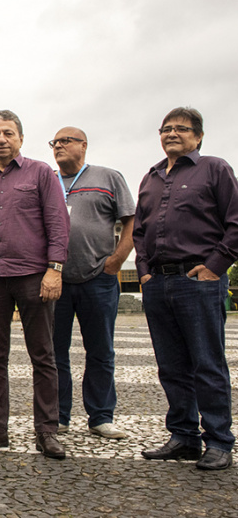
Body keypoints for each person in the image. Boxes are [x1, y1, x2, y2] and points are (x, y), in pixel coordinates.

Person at [0, 110, 70, 459]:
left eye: (8, 133)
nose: (1, 139)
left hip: (34, 276)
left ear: (20, 137)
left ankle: (47, 432)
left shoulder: (41, 174)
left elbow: (58, 222)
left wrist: (55, 269)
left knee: (43, 354)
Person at [134, 107, 238, 471]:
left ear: (198, 136)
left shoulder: (215, 168)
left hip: (198, 282)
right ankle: (183, 437)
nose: (172, 134)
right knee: (172, 366)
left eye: (181, 128)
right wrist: (144, 272)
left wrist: (214, 268)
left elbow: (235, 222)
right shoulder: (150, 178)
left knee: (207, 364)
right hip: (158, 283)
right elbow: (140, 232)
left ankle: (220, 441)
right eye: (166, 129)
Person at [49, 127, 134, 439]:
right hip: (55, 279)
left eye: (65, 141)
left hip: (98, 278)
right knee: (54, 351)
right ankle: (58, 416)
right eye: (54, 143)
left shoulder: (108, 177)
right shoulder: (47, 180)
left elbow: (130, 221)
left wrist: (116, 261)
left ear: (83, 146)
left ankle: (100, 416)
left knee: (100, 349)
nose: (58, 146)